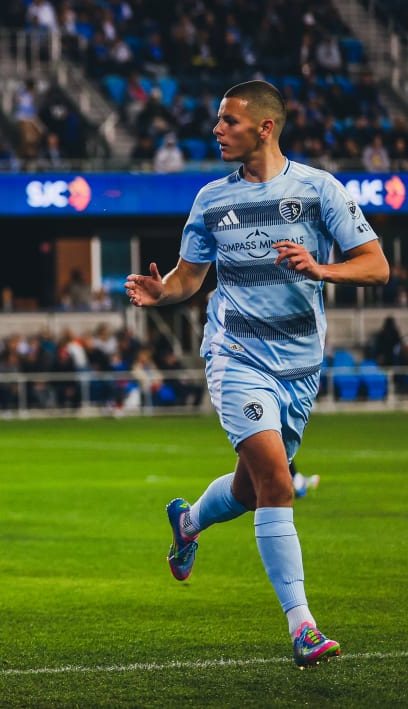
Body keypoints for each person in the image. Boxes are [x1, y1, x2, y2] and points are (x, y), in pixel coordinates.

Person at [125, 80, 389, 669]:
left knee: (251, 489)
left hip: (299, 368)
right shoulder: (211, 200)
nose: (217, 130)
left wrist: (321, 267)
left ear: (265, 128)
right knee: (277, 480)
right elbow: (189, 279)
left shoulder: (320, 190)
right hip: (235, 356)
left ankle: (188, 521)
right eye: (218, 121)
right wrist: (160, 290)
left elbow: (376, 267)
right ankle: (304, 628)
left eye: (229, 121)